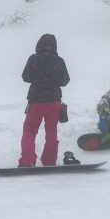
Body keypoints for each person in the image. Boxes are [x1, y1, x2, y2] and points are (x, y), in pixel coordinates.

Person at [18, 34, 70, 167]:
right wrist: (53, 81)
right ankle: (49, 160)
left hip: (36, 100)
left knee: (29, 130)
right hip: (54, 101)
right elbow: (65, 81)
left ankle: (27, 161)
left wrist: (39, 79)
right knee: (51, 130)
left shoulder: (33, 59)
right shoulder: (59, 60)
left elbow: (26, 77)